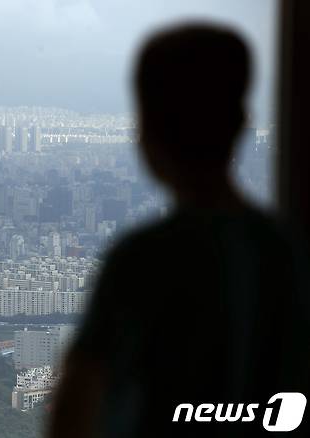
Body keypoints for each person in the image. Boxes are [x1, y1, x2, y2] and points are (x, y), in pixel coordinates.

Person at [49, 23, 310, 437]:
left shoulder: (141, 259)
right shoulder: (288, 250)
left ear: (147, 134)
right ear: (241, 122)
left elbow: (74, 405)